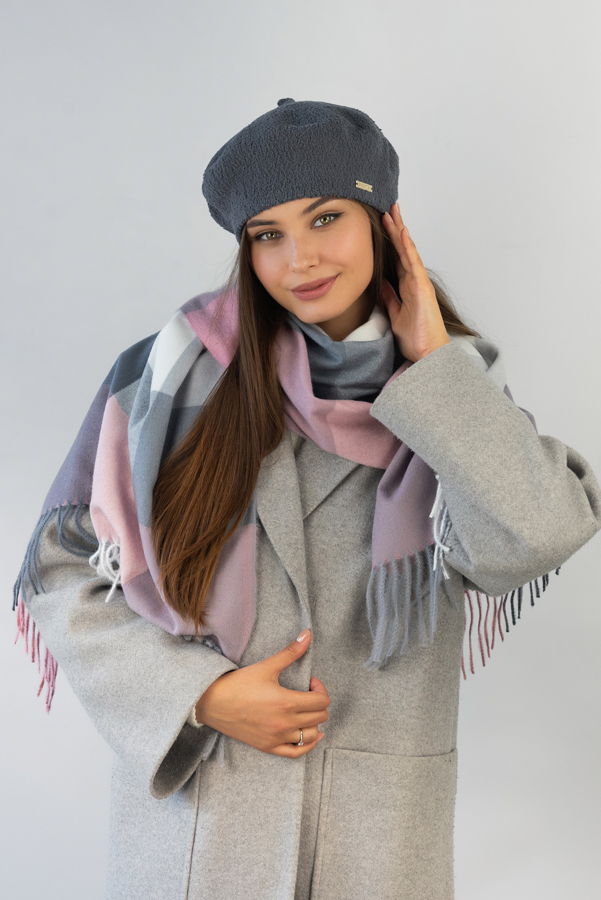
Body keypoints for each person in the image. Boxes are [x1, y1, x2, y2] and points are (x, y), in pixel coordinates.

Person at [13, 98, 601, 900]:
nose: (300, 259)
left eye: (326, 218)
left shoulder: (453, 392)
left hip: (376, 836)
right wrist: (199, 697)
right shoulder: (165, 381)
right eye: (268, 235)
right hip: (201, 832)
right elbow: (59, 574)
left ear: (383, 223)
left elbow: (534, 536)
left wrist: (433, 370)